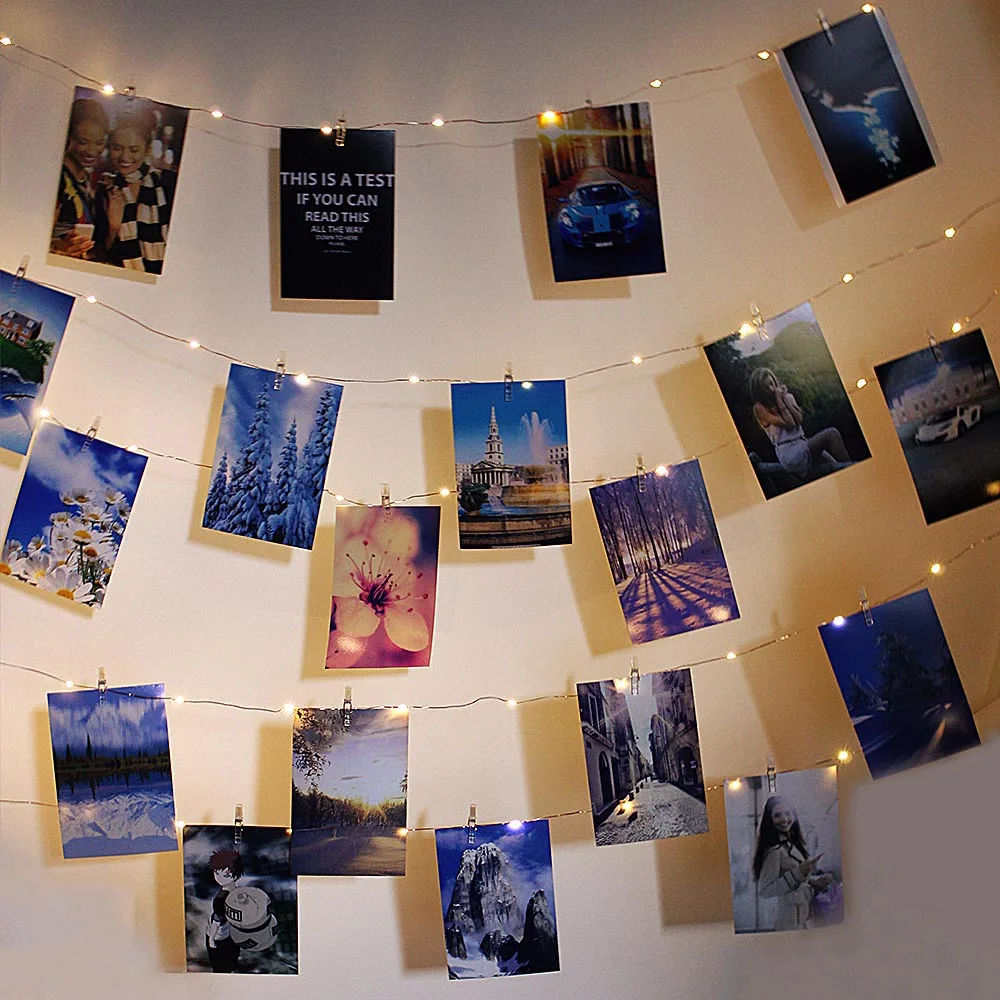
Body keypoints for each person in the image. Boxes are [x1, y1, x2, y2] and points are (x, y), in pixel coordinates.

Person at [95, 106, 176, 273]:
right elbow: (100, 253)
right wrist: (114, 227)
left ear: (147, 149)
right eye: (117, 148)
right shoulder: (106, 188)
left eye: (134, 150)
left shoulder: (168, 183)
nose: (125, 157)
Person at [749, 367, 850, 477]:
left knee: (832, 463)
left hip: (801, 443)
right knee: (832, 434)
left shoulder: (787, 397)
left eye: (771, 383)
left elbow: (798, 419)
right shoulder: (760, 408)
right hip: (789, 452)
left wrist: (785, 399)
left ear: (775, 380)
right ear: (760, 391)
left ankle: (850, 469)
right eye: (766, 388)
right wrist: (779, 399)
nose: (771, 389)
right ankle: (852, 470)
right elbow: (790, 424)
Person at [752, 794, 833, 931]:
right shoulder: (774, 851)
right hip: (790, 920)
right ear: (769, 820)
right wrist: (798, 872)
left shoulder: (793, 844)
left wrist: (816, 881)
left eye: (787, 813)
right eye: (777, 815)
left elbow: (797, 880)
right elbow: (765, 890)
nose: (784, 819)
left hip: (806, 915)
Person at [50, 98, 110, 260]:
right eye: (83, 142)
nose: (91, 151)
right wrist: (59, 246)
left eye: (99, 143)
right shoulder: (58, 180)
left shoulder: (88, 179)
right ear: (68, 138)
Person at [206, 847, 244, 972]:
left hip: (220, 937)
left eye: (226, 874)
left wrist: (211, 939)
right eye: (217, 873)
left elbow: (217, 921)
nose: (220, 877)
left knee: (221, 968)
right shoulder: (239, 892)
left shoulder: (221, 899)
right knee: (230, 965)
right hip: (232, 936)